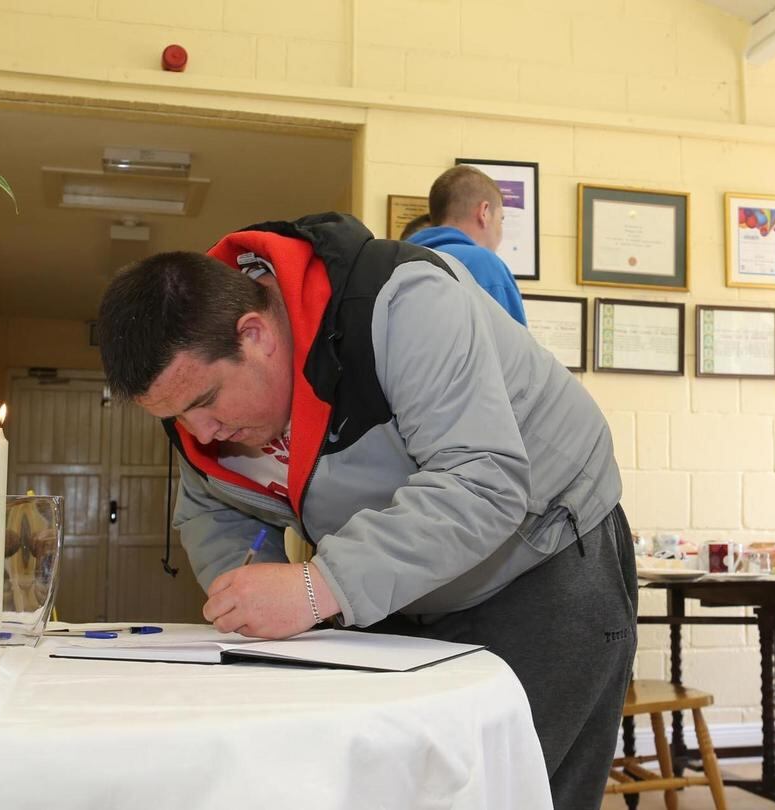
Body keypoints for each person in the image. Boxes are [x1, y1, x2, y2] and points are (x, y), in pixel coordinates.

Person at [96, 212, 635, 810]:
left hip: (541, 557)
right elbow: (214, 509)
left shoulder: (402, 303)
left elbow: (482, 482)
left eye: (205, 401)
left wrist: (313, 587)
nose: (201, 431)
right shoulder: (205, 416)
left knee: (514, 792)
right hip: (395, 587)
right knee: (392, 790)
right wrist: (249, 596)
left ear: (255, 334)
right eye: (175, 418)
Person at [406, 165, 527, 324]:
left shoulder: (399, 262)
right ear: (484, 212)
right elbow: (513, 347)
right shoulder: (484, 265)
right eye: (501, 219)